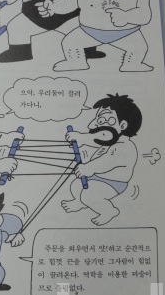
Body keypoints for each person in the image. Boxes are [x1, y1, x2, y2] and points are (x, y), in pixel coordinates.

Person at [38, 0, 153, 72]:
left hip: (127, 33)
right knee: (70, 43)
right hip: (89, 31)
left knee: (139, 48)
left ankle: (132, 64)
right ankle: (76, 62)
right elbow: (70, 2)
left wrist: (126, 16)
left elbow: (145, 15)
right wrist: (54, 7)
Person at [61, 94, 142, 225]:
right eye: (99, 120)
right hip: (97, 177)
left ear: (122, 125)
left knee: (89, 195)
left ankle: (109, 211)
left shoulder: (124, 146)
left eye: (105, 120)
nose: (97, 124)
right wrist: (81, 139)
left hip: (113, 183)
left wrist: (88, 167)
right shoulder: (111, 140)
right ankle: (80, 202)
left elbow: (106, 162)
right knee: (76, 186)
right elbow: (96, 138)